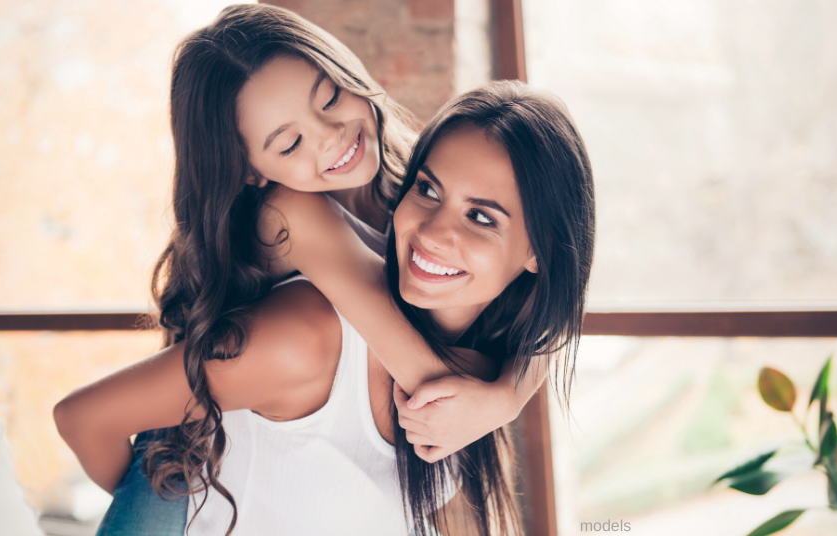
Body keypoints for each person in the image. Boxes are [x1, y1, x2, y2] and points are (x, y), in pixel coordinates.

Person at [53, 4, 592, 535]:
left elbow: (550, 309)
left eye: (330, 96)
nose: (332, 135)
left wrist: (505, 395)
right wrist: (172, 510)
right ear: (249, 171)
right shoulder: (292, 215)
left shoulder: (412, 177)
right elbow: (426, 378)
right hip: (187, 443)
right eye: (288, 142)